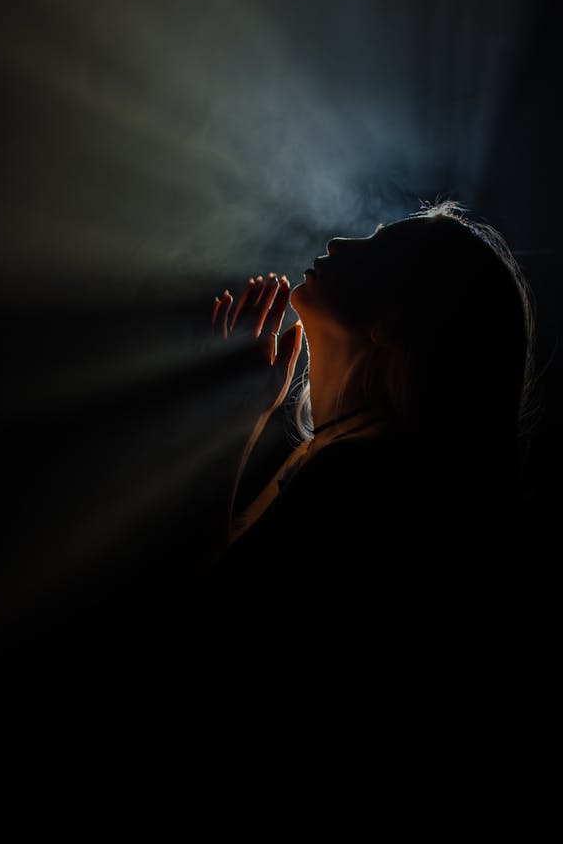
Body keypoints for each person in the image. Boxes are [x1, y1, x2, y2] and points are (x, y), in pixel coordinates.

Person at [191, 198, 537, 645]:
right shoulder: (342, 449)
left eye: (375, 248)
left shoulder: (357, 472)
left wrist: (227, 425)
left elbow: (198, 610)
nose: (337, 244)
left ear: (395, 318)